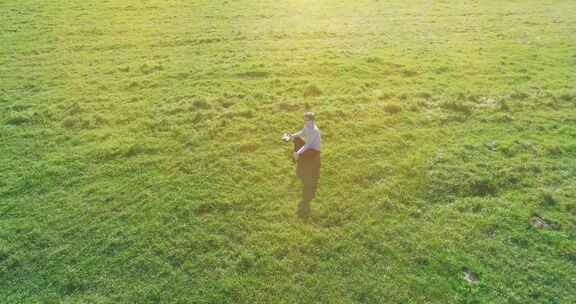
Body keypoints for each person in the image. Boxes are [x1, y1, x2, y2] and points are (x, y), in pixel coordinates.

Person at [283, 112, 321, 218]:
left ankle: (298, 156)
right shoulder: (307, 126)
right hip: (308, 148)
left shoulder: (314, 131)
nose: (304, 121)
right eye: (304, 119)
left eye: (306, 120)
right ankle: (298, 156)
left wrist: (298, 152)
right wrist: (292, 135)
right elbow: (302, 132)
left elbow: (308, 145)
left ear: (311, 120)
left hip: (313, 151)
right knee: (296, 139)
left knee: (300, 151)